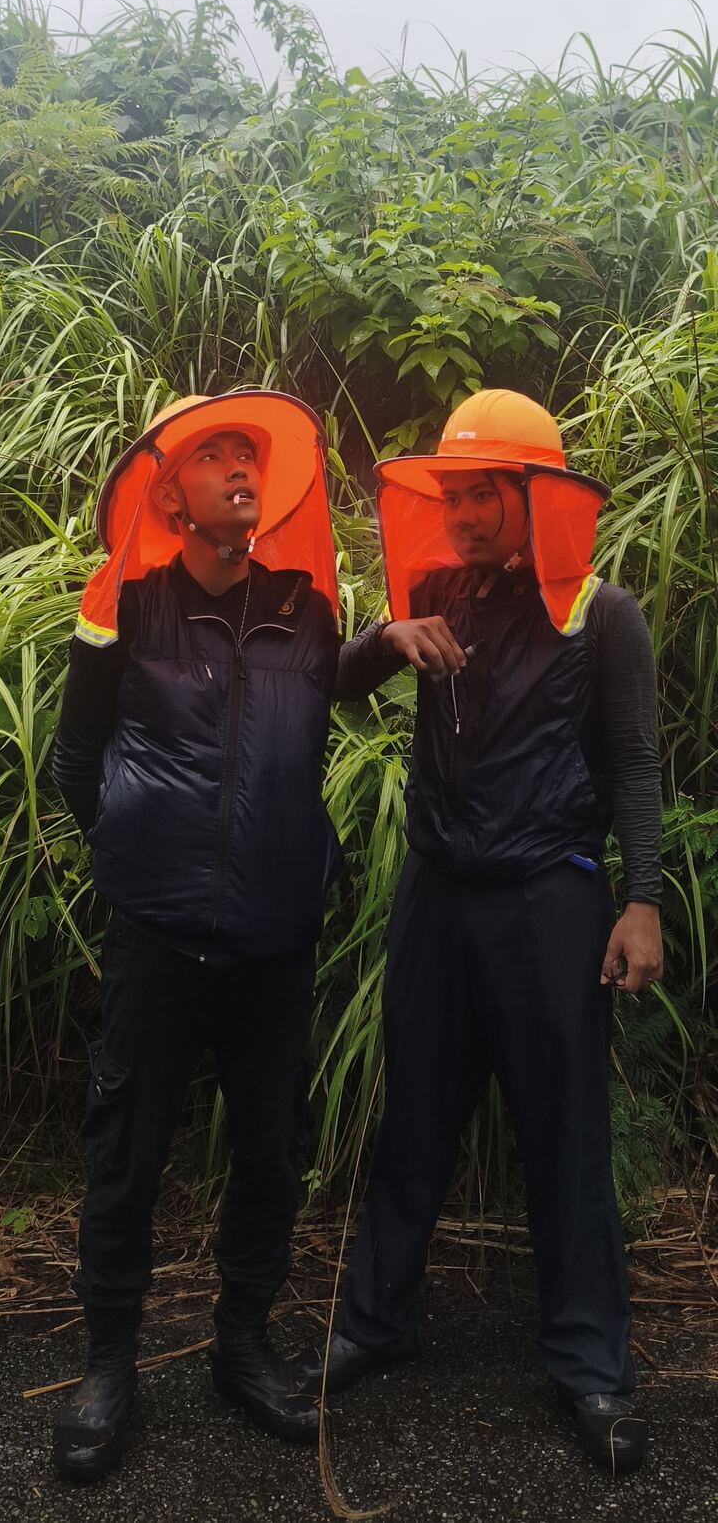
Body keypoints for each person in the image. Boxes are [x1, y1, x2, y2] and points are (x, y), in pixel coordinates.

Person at [297, 389, 663, 1477]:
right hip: (436, 889)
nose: (459, 510)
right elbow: (331, 686)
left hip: (550, 895)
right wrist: (379, 634)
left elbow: (635, 763)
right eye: (449, 491)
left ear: (533, 495)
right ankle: (374, 1318)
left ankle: (588, 1361)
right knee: (412, 1109)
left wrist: (639, 898)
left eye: (479, 491)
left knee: (563, 1129)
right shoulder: (434, 591)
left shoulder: (601, 611)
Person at [51, 390, 343, 1482]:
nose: (237, 467)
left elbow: (319, 702)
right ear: (167, 491)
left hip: (273, 933)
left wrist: (387, 644)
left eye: (247, 453)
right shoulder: (124, 602)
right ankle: (108, 1361)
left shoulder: (305, 609)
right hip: (159, 935)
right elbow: (77, 760)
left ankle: (241, 1344)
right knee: (126, 1151)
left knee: (270, 1149)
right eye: (213, 453)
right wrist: (136, 855)